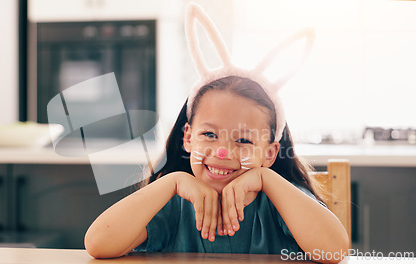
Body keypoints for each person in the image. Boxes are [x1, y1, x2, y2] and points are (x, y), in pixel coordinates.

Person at [84, 3, 349, 263]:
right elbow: (98, 243)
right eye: (209, 135)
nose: (223, 152)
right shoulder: (173, 204)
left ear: (269, 154)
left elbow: (335, 250)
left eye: (243, 140)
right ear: (188, 137)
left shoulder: (281, 201)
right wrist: (172, 181)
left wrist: (266, 179)